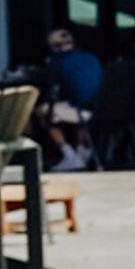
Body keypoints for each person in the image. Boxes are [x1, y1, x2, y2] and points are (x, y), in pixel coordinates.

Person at [40, 25, 104, 171]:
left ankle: (69, 154)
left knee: (44, 111)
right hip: (101, 109)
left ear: (53, 47)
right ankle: (81, 151)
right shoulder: (92, 58)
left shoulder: (57, 63)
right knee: (77, 106)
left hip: (82, 112)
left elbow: (54, 91)